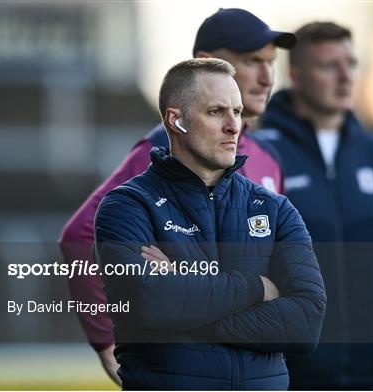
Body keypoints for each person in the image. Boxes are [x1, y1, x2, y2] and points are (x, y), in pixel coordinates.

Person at [59, 8, 295, 384]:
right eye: (253, 61)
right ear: (207, 65)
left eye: (271, 62)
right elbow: (78, 237)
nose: (267, 77)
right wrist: (107, 342)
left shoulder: (269, 158)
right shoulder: (163, 152)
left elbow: (290, 286)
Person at [94, 58, 326, 390]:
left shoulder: (274, 209)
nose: (235, 126)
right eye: (216, 112)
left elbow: (306, 323)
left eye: (238, 111)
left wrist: (184, 304)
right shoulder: (128, 206)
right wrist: (258, 288)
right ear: (177, 121)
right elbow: (151, 303)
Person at [257, 22, 373, 389]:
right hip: (290, 375)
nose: (345, 77)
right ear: (297, 75)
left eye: (351, 64)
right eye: (329, 66)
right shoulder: (261, 154)